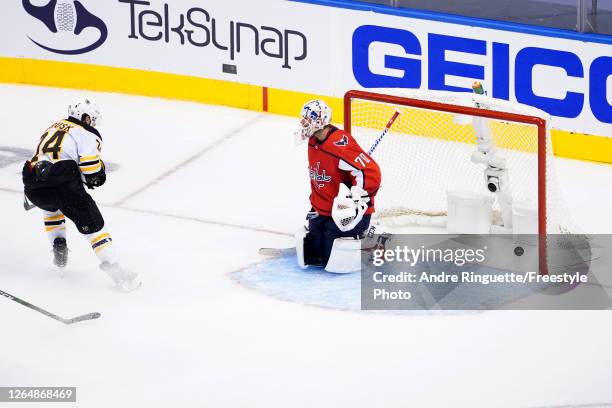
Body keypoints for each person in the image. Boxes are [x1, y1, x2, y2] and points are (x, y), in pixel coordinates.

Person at [22, 97, 140, 291]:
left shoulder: (53, 126)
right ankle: (117, 272)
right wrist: (98, 174)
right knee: (94, 227)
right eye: (92, 119)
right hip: (63, 185)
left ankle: (58, 243)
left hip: (32, 184)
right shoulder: (86, 133)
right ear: (85, 118)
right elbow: (91, 171)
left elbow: (44, 158)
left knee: (51, 207)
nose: (92, 123)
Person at [295, 100, 381, 268]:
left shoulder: (339, 145)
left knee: (330, 260)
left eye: (307, 120)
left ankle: (373, 240)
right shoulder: (313, 140)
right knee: (313, 253)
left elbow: (370, 172)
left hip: (348, 213)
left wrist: (358, 197)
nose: (303, 123)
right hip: (322, 209)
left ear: (320, 121)